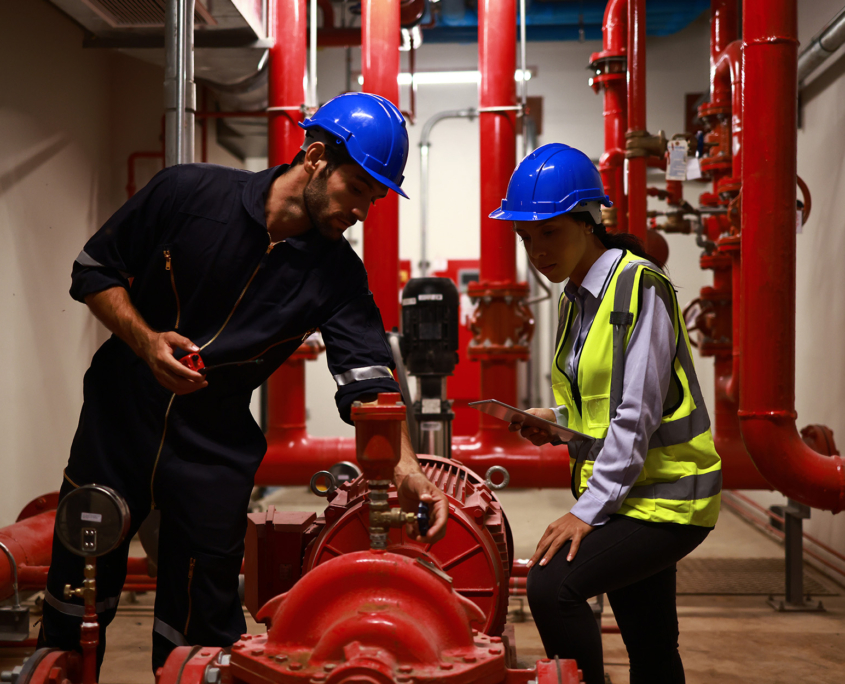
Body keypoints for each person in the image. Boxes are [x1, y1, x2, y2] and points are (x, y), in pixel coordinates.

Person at [39, 92, 449, 673]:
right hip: (118, 422)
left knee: (203, 630)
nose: (362, 210)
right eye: (357, 188)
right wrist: (147, 342)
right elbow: (94, 270)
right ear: (315, 158)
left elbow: (368, 380)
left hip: (213, 446)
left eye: (374, 198)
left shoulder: (336, 274)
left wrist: (405, 466)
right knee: (74, 598)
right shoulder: (187, 194)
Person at [489, 143, 721, 684]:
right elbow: (597, 404)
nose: (536, 251)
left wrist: (587, 511)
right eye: (525, 238)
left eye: (549, 232)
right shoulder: (575, 297)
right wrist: (553, 418)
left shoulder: (638, 286)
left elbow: (637, 412)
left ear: (588, 222)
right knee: (651, 646)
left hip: (669, 497)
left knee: (552, 586)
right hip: (632, 494)